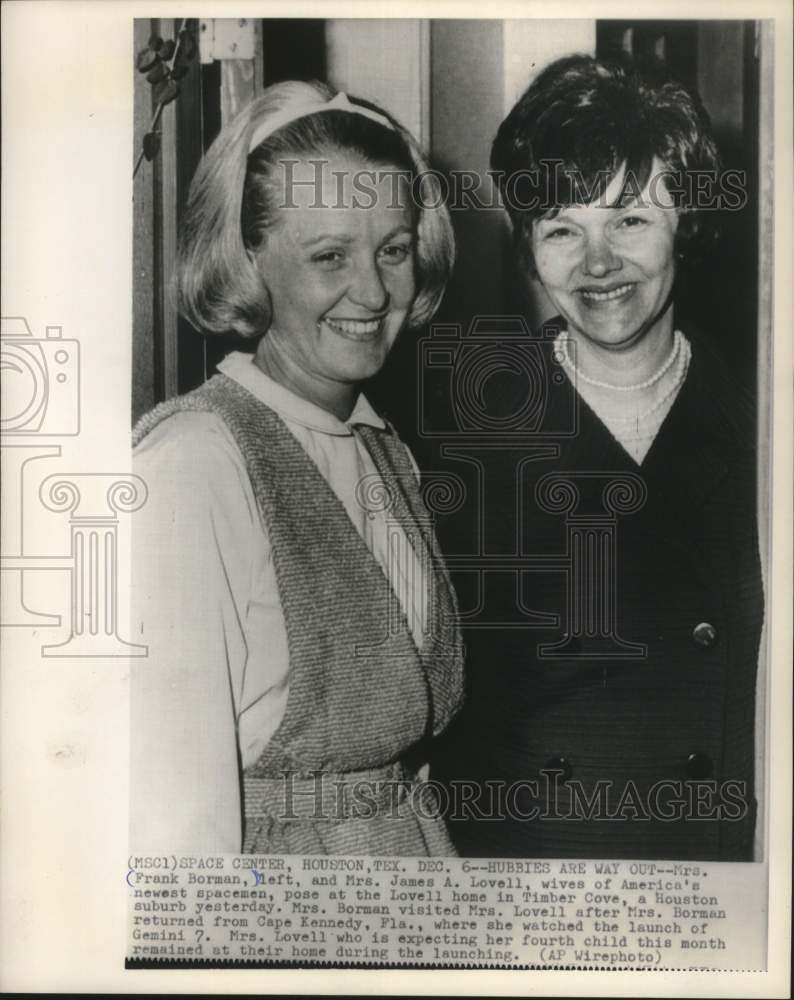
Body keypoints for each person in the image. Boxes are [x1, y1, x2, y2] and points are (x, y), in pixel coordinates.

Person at [434, 54, 763, 860]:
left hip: (706, 892)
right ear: (528, 252)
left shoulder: (761, 420)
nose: (598, 265)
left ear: (687, 220)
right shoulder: (459, 437)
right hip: (528, 890)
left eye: (628, 220)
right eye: (561, 230)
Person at [131, 82, 463, 855]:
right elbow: (171, 827)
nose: (375, 291)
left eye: (394, 249)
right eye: (328, 256)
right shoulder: (195, 465)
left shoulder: (384, 451)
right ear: (248, 259)